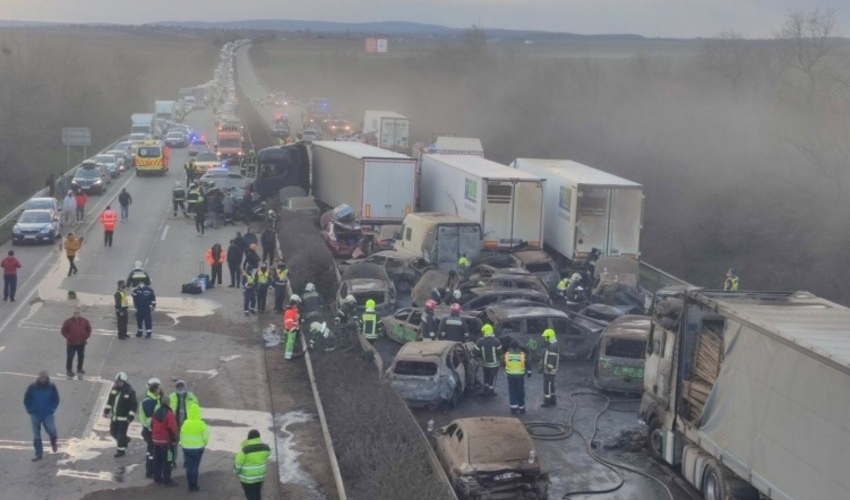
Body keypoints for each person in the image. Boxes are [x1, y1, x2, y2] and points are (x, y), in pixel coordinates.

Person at [23, 370, 60, 461]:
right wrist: (29, 409)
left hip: (47, 414)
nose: (43, 379)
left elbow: (56, 399)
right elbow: (26, 399)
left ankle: (53, 441)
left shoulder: (51, 387)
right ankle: (38, 454)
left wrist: (52, 409)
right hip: (35, 414)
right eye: (41, 378)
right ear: (38, 378)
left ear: (47, 378)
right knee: (36, 435)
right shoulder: (32, 387)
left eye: (44, 378)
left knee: (52, 430)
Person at [103, 372, 137, 458]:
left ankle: (121, 450)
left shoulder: (130, 392)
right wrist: (106, 411)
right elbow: (110, 401)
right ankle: (125, 440)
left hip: (124, 419)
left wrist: (130, 417)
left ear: (125, 382)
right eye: (117, 382)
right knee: (113, 432)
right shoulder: (114, 389)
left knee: (121, 435)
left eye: (120, 382)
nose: (119, 383)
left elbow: (133, 406)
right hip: (114, 417)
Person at [168, 380, 199, 467]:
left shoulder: (192, 397)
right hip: (175, 425)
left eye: (182, 386)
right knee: (173, 445)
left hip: (188, 426)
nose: (180, 388)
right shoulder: (171, 397)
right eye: (178, 387)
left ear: (185, 387)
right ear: (176, 388)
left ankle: (187, 461)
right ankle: (172, 461)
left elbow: (196, 411)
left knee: (187, 444)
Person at [234, 429, 271, 500]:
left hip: (247, 479)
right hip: (260, 476)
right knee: (257, 493)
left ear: (248, 438)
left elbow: (238, 463)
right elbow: (269, 453)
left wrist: (237, 472)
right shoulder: (265, 448)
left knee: (250, 495)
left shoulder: (245, 450)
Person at [180, 402, 209, 492]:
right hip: (198, 448)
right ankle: (194, 484)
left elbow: (181, 435)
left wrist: (184, 445)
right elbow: (206, 437)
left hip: (187, 448)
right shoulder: (201, 424)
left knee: (189, 466)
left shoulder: (185, 423)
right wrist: (204, 444)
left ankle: (190, 484)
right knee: (195, 466)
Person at [151, 396, 179, 486]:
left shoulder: (155, 413)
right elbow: (173, 428)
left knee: (157, 461)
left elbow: (151, 424)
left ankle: (157, 478)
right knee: (168, 461)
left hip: (156, 441)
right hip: (166, 442)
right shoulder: (169, 414)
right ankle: (167, 481)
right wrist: (176, 439)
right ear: (168, 402)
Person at [139, 378, 162, 479]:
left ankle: (152, 469)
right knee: (151, 452)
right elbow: (150, 419)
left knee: (152, 451)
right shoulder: (148, 402)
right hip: (150, 430)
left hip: (152, 430)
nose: (160, 390)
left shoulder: (154, 399)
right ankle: (150, 470)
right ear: (154, 389)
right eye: (158, 389)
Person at [61, 307, 91, 378]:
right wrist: (68, 337)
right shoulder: (68, 322)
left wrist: (86, 336)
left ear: (80, 313)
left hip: (81, 343)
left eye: (77, 313)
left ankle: (79, 368)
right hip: (71, 343)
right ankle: (69, 370)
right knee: (70, 357)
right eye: (75, 313)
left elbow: (89, 329)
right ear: (72, 313)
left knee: (81, 356)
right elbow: (63, 330)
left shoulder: (85, 321)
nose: (76, 314)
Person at [504, 339, 531, 414]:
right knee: (520, 391)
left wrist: (505, 371)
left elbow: (504, 363)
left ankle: (513, 408)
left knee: (512, 391)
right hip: (520, 376)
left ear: (511, 347)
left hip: (510, 376)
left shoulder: (507, 354)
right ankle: (522, 408)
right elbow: (527, 364)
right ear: (518, 347)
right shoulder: (522, 355)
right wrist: (529, 372)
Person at [474, 324, 503, 395]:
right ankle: (491, 390)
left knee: (486, 377)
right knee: (492, 378)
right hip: (495, 364)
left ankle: (485, 390)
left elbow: (475, 352)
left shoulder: (480, 341)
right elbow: (500, 353)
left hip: (485, 364)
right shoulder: (496, 341)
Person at [540, 329, 560, 408]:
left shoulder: (552, 346)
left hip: (549, 370)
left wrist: (547, 368)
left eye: (545, 337)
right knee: (550, 385)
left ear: (549, 337)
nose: (544, 338)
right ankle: (552, 400)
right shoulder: (553, 345)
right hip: (550, 370)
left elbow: (552, 359)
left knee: (547, 385)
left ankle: (547, 402)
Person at [283, 295, 301, 361]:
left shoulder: (291, 311)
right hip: (291, 330)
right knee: (290, 343)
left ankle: (289, 354)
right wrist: (292, 329)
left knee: (290, 342)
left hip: (291, 330)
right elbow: (289, 322)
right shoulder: (291, 312)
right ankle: (288, 357)